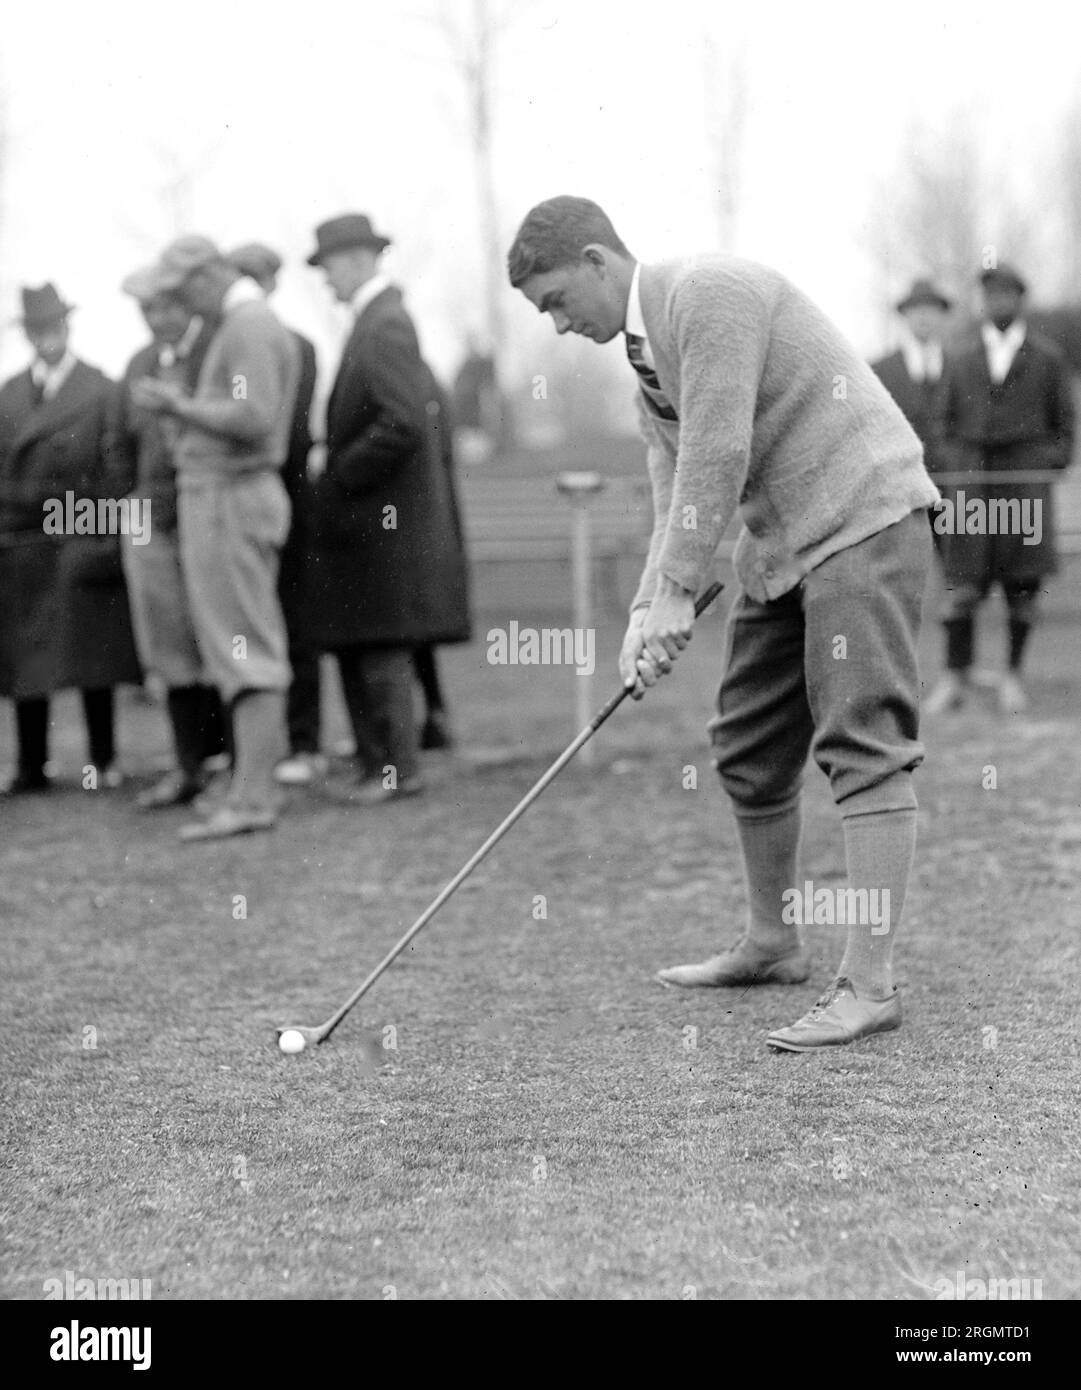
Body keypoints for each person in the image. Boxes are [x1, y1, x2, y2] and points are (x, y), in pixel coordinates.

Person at [507, 196, 940, 1052]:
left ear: (598, 262)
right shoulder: (643, 362)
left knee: (861, 742)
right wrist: (646, 610)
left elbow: (717, 447)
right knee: (745, 741)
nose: (557, 324)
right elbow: (675, 488)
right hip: (785, 546)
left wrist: (678, 591)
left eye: (557, 300)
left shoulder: (708, 295)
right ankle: (773, 943)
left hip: (862, 519)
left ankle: (869, 985)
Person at [132, 236, 300, 840]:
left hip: (231, 499)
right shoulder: (240, 324)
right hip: (219, 497)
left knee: (246, 651)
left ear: (205, 279)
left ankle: (253, 800)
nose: (175, 305)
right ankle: (249, 789)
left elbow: (254, 417)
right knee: (238, 650)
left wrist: (180, 406)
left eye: (179, 292)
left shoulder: (248, 326)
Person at [305, 213, 471, 805]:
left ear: (354, 261)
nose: (327, 282)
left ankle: (396, 770)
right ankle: (380, 765)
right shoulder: (375, 324)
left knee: (381, 648)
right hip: (372, 526)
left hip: (381, 526)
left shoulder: (384, 327)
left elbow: (402, 422)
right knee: (367, 645)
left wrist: (339, 472)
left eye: (328, 269)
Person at [0, 283, 140, 794]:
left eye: (54, 326)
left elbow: (117, 467)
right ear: (28, 335)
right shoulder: (9, 394)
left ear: (68, 327)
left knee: (93, 657)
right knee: (24, 661)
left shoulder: (101, 389)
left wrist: (107, 537)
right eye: (37, 329)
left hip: (80, 534)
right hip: (21, 544)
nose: (47, 337)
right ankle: (30, 767)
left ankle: (102, 761)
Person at [924, 263, 1075, 716]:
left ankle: (1013, 676)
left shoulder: (1047, 359)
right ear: (982, 303)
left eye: (1007, 295)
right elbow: (942, 427)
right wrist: (958, 464)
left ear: (1020, 300)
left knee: (1022, 587)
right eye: (991, 296)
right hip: (971, 492)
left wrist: (1040, 462)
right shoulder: (962, 356)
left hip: (1024, 490)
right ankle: (954, 679)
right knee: (962, 586)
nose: (999, 304)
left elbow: (1065, 431)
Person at [113, 263, 228, 807]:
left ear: (187, 306)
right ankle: (187, 767)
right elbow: (117, 445)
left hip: (207, 511)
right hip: (151, 519)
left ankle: (231, 764)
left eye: (166, 307)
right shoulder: (137, 365)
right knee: (168, 645)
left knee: (222, 638)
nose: (157, 319)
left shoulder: (213, 353)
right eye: (146, 310)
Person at [226, 243, 324, 786]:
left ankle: (304, 741)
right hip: (243, 497)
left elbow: (285, 429)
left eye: (259, 277)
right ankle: (249, 749)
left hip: (284, 494)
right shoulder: (226, 345)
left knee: (295, 617)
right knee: (243, 624)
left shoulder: (297, 346)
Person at [871, 278, 951, 479]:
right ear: (905, 315)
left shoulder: (959, 366)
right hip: (902, 480)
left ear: (942, 315)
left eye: (931, 308)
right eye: (916, 308)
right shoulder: (881, 370)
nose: (924, 316)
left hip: (951, 483)